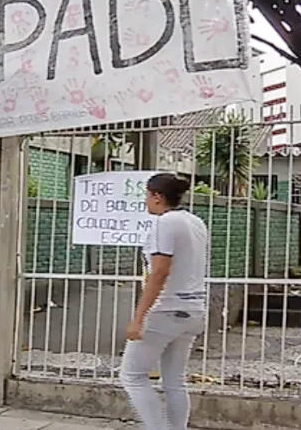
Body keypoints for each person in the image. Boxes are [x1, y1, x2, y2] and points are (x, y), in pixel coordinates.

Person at [120, 173, 209, 430]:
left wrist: (138, 318)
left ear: (157, 197)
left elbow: (159, 272)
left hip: (167, 309)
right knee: (174, 381)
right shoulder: (195, 222)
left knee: (132, 375)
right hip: (193, 309)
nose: (145, 201)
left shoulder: (165, 223)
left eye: (146, 195)